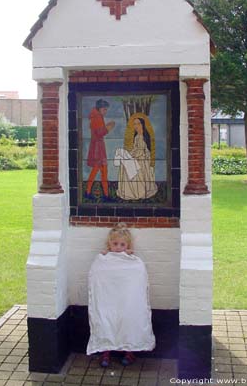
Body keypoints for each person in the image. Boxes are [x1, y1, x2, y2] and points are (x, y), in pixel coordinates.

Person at [87, 223, 155, 367]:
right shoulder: (102, 260)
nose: (118, 247)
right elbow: (96, 277)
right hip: (108, 300)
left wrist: (131, 260)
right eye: (115, 243)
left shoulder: (133, 262)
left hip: (126, 301)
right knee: (105, 320)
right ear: (109, 244)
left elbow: (139, 280)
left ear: (128, 245)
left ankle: (130, 352)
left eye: (122, 244)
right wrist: (103, 258)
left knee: (129, 321)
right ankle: (105, 351)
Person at [115, 116, 158, 200]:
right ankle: (127, 191)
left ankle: (138, 192)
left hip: (143, 159)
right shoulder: (137, 136)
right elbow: (135, 149)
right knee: (124, 165)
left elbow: (143, 150)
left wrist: (133, 156)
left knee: (133, 165)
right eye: (134, 124)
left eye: (138, 124)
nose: (136, 126)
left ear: (142, 125)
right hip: (137, 156)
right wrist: (129, 154)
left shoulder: (144, 136)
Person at [85, 99, 115, 201]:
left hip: (98, 148)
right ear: (99, 108)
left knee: (102, 171)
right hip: (98, 149)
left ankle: (101, 194)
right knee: (100, 171)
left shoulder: (97, 116)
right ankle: (92, 193)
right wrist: (108, 128)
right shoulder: (97, 117)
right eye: (104, 109)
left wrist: (106, 127)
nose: (105, 111)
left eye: (106, 109)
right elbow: (99, 133)